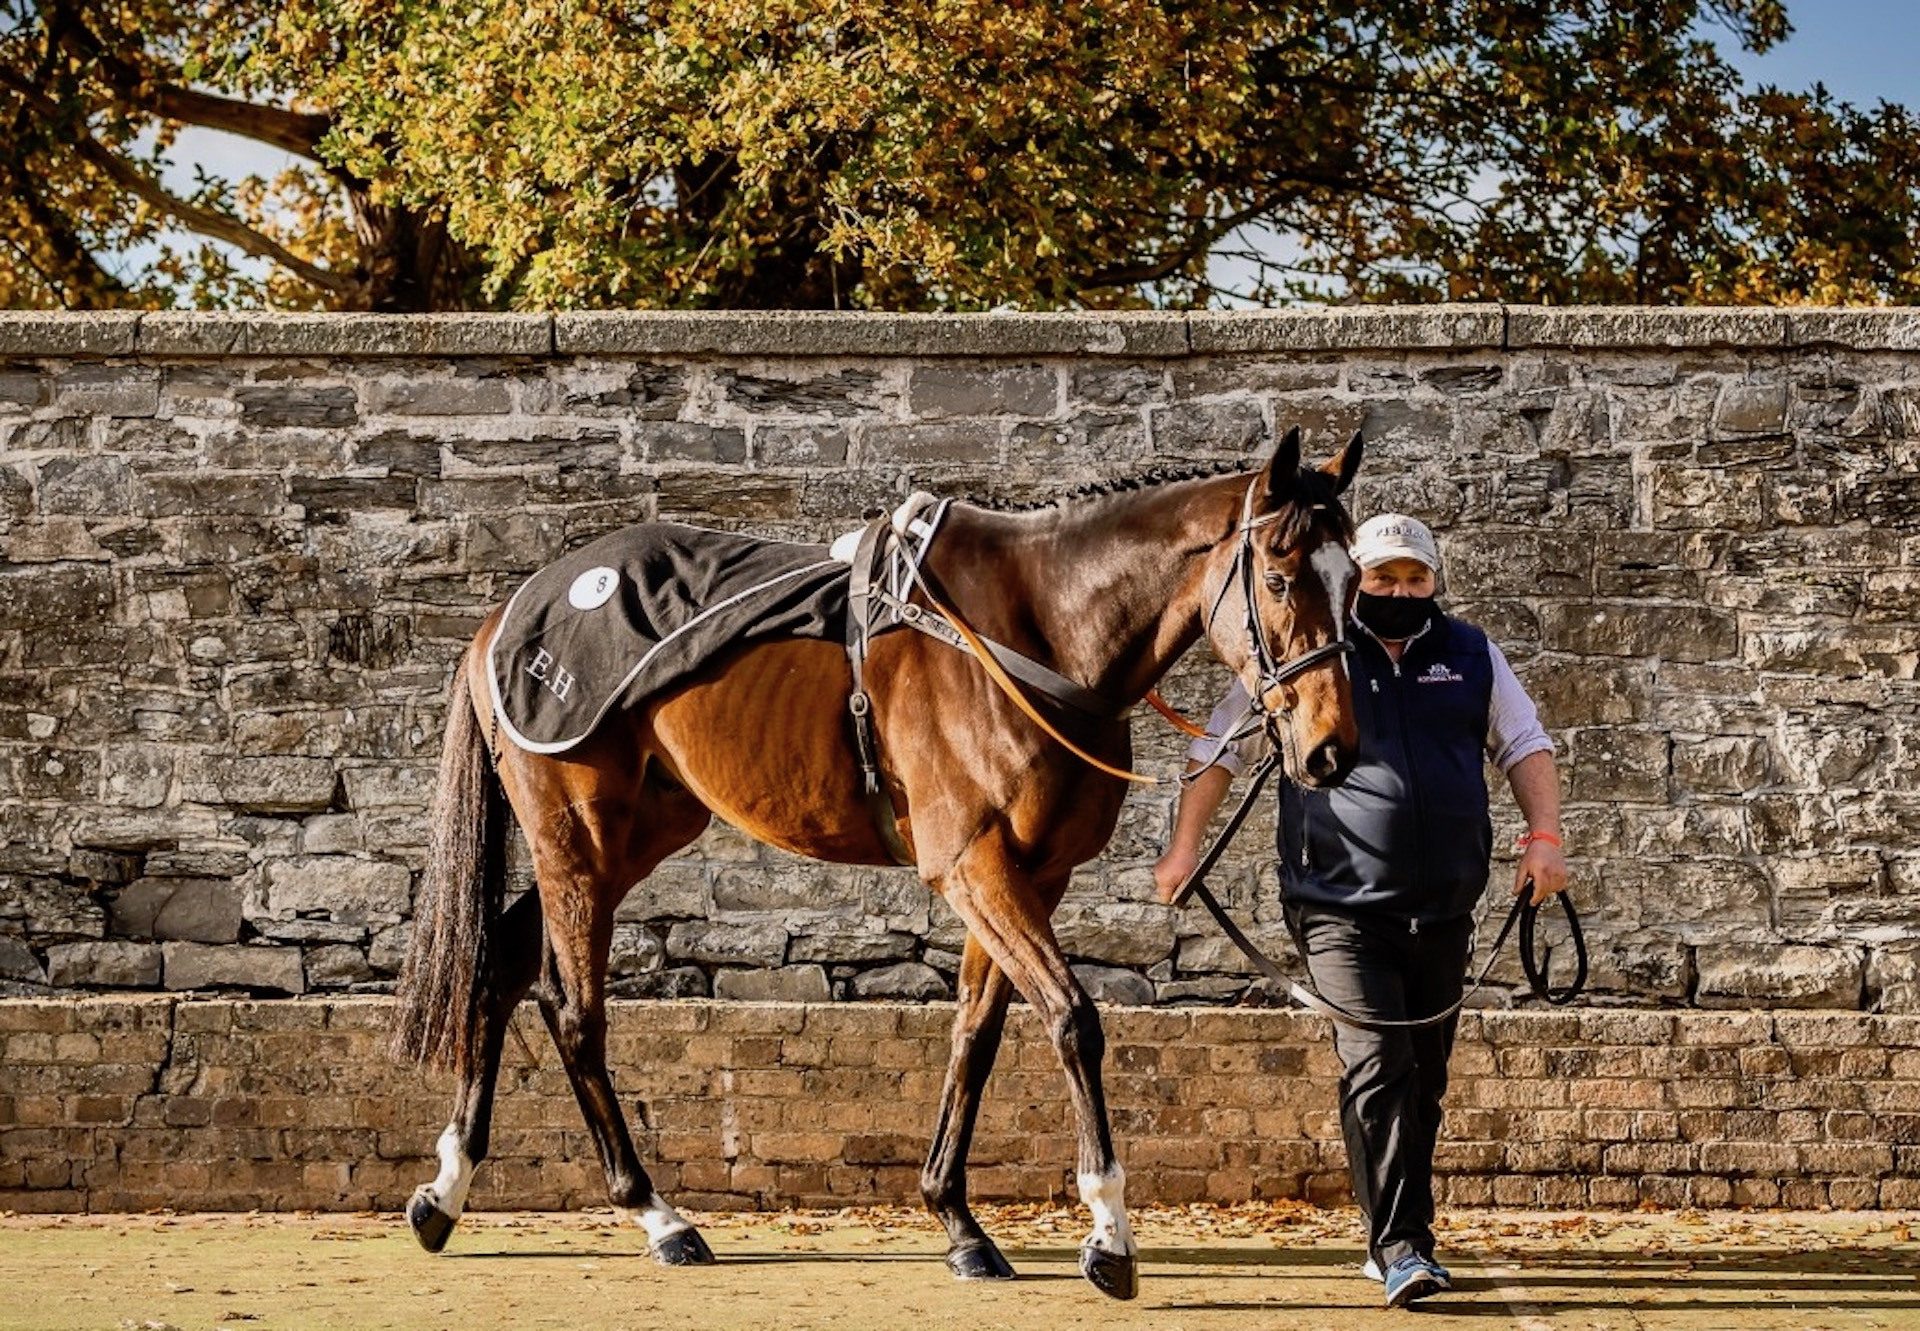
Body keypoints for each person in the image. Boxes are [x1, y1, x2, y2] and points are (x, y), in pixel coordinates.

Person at [1154, 512, 1569, 1309]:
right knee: (1379, 1062)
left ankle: (1396, 1231)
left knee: (1424, 1079)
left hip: (1445, 903)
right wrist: (1183, 848)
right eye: (1385, 578)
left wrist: (1543, 838)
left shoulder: (1472, 653)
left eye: (1417, 579)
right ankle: (1403, 1245)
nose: (1401, 591)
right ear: (1357, 579)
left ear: (1435, 582)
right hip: (1338, 904)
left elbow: (1524, 743)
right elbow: (1219, 747)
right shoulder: (1311, 648)